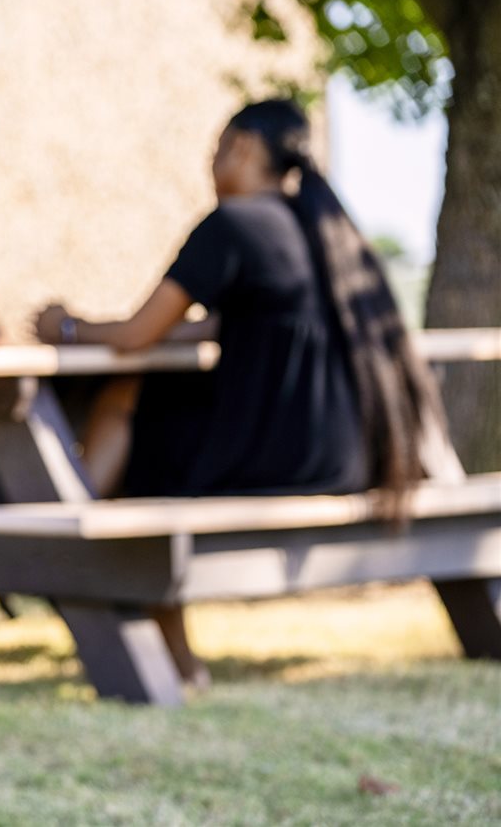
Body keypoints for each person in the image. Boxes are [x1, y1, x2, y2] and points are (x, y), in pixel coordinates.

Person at [34, 99, 458, 684]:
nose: (209, 164)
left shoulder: (231, 225)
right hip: (349, 456)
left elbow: (136, 334)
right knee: (154, 426)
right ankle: (168, 647)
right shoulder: (328, 231)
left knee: (132, 408)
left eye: (215, 149)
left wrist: (67, 326)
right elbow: (233, 322)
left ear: (244, 149)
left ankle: (65, 543)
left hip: (277, 456)